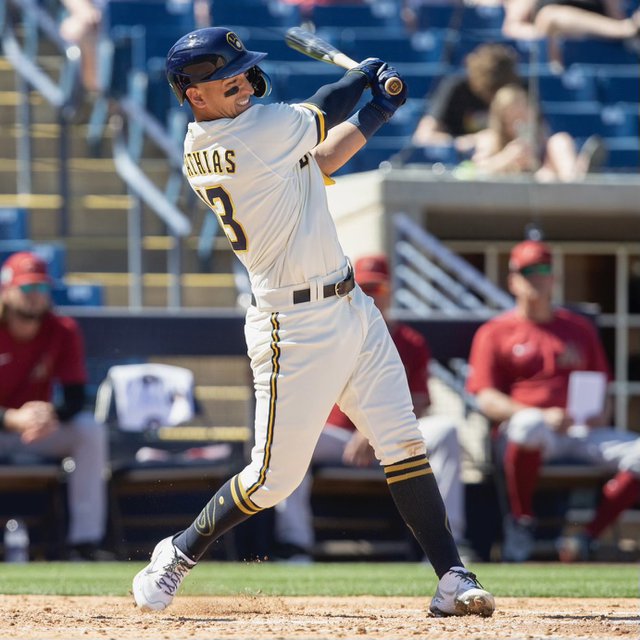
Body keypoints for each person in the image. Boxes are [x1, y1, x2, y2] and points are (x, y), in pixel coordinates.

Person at [132, 27, 494, 617]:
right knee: (273, 480)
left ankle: (452, 575)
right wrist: (361, 80)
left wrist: (376, 109)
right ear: (195, 95)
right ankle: (178, 549)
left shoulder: (258, 135)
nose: (246, 81)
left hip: (352, 305)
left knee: (402, 439)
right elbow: (324, 108)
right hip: (291, 325)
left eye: (245, 71)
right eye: (230, 76)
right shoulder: (231, 137)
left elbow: (321, 157)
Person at [273, 254, 467, 561]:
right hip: (340, 440)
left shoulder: (409, 340)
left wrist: (374, 429)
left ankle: (447, 545)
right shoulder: (327, 336)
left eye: (379, 289)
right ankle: (294, 544)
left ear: (389, 293)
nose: (373, 297)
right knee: (289, 437)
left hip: (391, 437)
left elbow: (420, 400)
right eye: (366, 289)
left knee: (446, 431)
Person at [466, 239, 640, 562]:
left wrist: (601, 411)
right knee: (528, 425)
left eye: (544, 270)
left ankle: (585, 538)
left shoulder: (579, 328)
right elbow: (485, 398)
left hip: (578, 431)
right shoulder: (495, 331)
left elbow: (603, 387)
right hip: (529, 433)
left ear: (554, 278)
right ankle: (521, 521)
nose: (537, 277)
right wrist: (542, 414)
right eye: (528, 271)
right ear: (512, 280)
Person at [0, 251, 108, 560]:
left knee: (89, 430)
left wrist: (51, 415)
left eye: (41, 289)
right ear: (7, 291)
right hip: (7, 426)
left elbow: (76, 396)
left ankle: (84, 544)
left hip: (38, 431)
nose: (35, 297)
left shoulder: (62, 329)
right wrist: (13, 418)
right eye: (26, 289)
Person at [471, 84, 605, 181]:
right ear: (502, 122)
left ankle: (578, 177)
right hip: (509, 195)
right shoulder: (490, 138)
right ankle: (581, 168)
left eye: (523, 116)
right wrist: (507, 157)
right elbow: (477, 172)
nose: (519, 124)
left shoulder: (544, 139)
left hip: (548, 189)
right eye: (512, 119)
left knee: (560, 141)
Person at [411, 43, 521, 155]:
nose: (492, 98)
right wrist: (465, 142)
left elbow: (533, 135)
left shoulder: (518, 92)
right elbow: (423, 136)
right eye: (488, 90)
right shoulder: (455, 88)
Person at [502, 0, 640, 70]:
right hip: (552, 54)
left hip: (598, 50)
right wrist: (544, 34)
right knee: (550, 15)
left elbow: (615, 17)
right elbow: (512, 27)